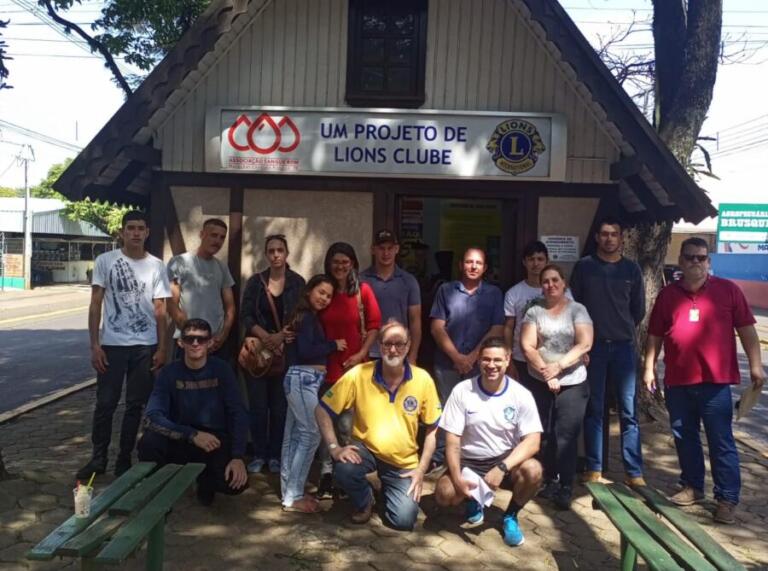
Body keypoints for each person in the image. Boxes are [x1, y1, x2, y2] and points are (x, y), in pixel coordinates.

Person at [643, 237, 765, 524]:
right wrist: (649, 368)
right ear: (681, 262)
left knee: (720, 441)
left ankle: (726, 498)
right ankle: (692, 487)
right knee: (684, 438)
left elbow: (748, 331)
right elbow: (655, 336)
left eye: (701, 258)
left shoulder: (728, 291)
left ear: (709, 261)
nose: (695, 262)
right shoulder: (667, 295)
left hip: (715, 383)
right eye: (690, 258)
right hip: (678, 382)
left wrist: (757, 367)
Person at [315, 321, 442, 530]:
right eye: (387, 344)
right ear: (379, 346)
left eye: (399, 343)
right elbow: (322, 410)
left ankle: (387, 490)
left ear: (408, 345)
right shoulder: (360, 374)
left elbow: (432, 428)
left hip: (403, 460)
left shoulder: (423, 379)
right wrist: (334, 448)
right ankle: (365, 501)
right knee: (344, 470)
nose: (393, 349)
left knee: (403, 521)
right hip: (366, 450)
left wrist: (421, 469)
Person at [76, 211, 171, 480]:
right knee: (105, 403)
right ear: (123, 231)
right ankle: (98, 458)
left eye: (141, 228)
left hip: (145, 345)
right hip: (112, 345)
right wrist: (95, 344)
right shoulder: (106, 261)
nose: (136, 233)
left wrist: (162, 348)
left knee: (135, 405)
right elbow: (96, 304)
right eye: (131, 228)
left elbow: (160, 308)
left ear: (147, 232)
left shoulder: (156, 265)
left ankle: (124, 458)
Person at [435, 337, 543, 547]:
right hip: (469, 461)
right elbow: (452, 440)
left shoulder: (521, 395)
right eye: (486, 360)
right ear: (478, 361)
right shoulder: (462, 391)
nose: (491, 365)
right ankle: (472, 500)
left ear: (507, 360)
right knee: (444, 494)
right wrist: (457, 478)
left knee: (534, 470)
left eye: (497, 360)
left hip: (504, 459)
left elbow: (533, 441)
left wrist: (502, 467)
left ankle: (511, 516)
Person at [138, 318, 249, 506]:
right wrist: (191, 435)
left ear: (210, 342)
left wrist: (238, 456)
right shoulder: (168, 373)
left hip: (213, 441)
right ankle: (161, 488)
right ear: (180, 343)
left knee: (235, 484)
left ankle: (206, 481)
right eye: (189, 339)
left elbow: (237, 412)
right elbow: (152, 417)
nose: (195, 343)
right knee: (149, 442)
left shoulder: (222, 370)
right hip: (181, 437)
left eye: (201, 339)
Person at [570, 216, 645, 486]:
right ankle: (595, 467)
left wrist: (619, 328)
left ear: (621, 237)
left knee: (628, 410)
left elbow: (638, 311)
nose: (609, 238)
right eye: (604, 234)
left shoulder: (632, 270)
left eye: (614, 234)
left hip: (623, 348)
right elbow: (574, 308)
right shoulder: (584, 267)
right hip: (594, 349)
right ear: (597, 238)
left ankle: (634, 472)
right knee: (595, 408)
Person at [520, 264, 593, 510]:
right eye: (545, 281)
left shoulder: (577, 310)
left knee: (566, 435)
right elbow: (528, 345)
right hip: (540, 380)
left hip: (572, 382)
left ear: (564, 284)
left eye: (555, 280)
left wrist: (558, 368)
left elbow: (584, 344)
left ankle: (566, 485)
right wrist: (546, 371)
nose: (550, 285)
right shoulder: (534, 310)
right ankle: (549, 479)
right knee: (545, 433)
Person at [316, 241, 382, 497]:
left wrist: (362, 353)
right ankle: (325, 474)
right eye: (335, 262)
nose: (340, 266)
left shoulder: (362, 291)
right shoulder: (324, 291)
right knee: (325, 425)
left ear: (353, 263)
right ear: (328, 264)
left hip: (354, 370)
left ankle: (346, 474)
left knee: (346, 428)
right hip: (325, 368)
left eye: (345, 262)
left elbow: (375, 325)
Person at [430, 247, 505, 464]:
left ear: (485, 268)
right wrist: (457, 357)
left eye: (478, 263)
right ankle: (441, 456)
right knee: (446, 408)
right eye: (469, 262)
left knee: (478, 407)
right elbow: (437, 327)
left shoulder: (493, 293)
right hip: (447, 363)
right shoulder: (445, 290)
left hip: (480, 364)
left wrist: (472, 358)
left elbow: (497, 328)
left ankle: (472, 456)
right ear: (461, 265)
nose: (473, 267)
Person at [280, 275, 347, 513]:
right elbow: (307, 351)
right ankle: (293, 495)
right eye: (321, 292)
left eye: (328, 296)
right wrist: (332, 345)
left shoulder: (306, 318)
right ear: (309, 291)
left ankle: (289, 494)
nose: (324, 299)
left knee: (295, 435)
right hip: (302, 379)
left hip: (303, 380)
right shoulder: (306, 318)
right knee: (311, 433)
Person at [241, 234, 306, 474]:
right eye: (271, 250)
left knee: (280, 407)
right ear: (266, 254)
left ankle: (276, 455)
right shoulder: (256, 282)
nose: (276, 254)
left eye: (280, 250)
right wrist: (264, 336)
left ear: (287, 253)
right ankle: (258, 454)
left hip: (286, 352)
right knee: (258, 406)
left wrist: (280, 337)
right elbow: (245, 314)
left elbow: (302, 314)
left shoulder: (298, 282)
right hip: (257, 352)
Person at [503, 240, 573, 419]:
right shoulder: (514, 293)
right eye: (531, 259)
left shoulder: (563, 292)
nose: (535, 264)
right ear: (524, 262)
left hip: (556, 360)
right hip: (522, 359)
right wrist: (508, 358)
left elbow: (574, 323)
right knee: (526, 408)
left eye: (540, 259)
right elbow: (509, 327)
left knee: (552, 411)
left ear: (546, 261)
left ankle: (549, 446)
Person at [167, 218, 235, 358]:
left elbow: (230, 307)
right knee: (184, 380)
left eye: (222, 237)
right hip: (188, 341)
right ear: (202, 234)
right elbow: (172, 304)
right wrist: (191, 335)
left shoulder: (221, 267)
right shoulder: (179, 262)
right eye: (213, 235)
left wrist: (223, 335)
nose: (217, 241)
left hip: (216, 344)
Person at [360, 229, 422, 364]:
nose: (386, 253)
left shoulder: (409, 281)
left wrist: (413, 355)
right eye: (381, 248)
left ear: (397, 249)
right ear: (373, 249)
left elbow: (415, 320)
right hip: (368, 352)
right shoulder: (361, 280)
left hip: (399, 350)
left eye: (390, 248)